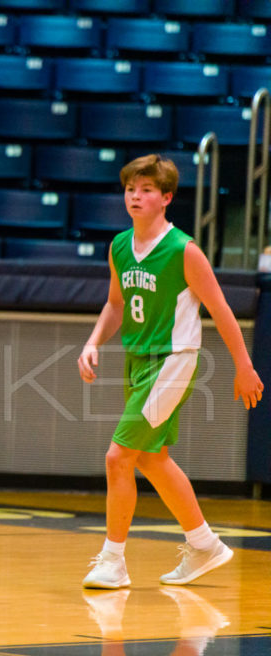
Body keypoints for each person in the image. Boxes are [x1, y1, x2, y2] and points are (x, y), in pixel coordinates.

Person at [78, 154, 263, 590]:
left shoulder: (184, 250)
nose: (135, 197)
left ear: (166, 198)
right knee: (151, 458)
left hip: (174, 358)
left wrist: (244, 365)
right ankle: (204, 544)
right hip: (137, 359)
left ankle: (113, 560)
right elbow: (116, 303)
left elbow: (220, 309)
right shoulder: (120, 246)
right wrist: (92, 342)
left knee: (118, 456)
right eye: (130, 189)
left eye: (145, 190)